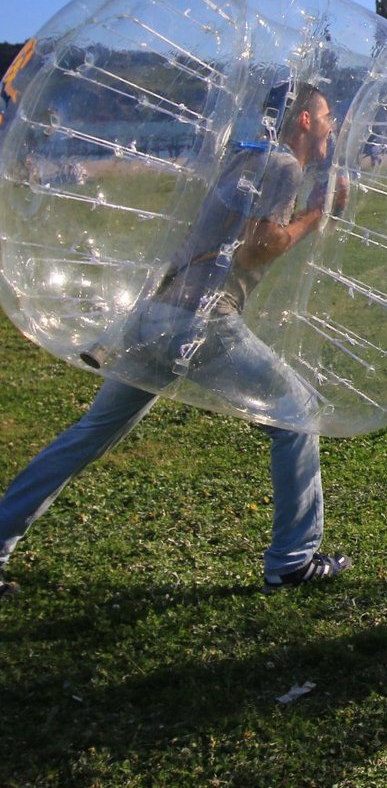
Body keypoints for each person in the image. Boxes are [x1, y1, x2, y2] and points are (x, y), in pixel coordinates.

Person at [0, 83, 351, 599]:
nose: (331, 125)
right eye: (325, 115)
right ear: (302, 120)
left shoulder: (248, 158)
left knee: (91, 434)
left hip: (156, 317)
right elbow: (259, 248)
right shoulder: (281, 166)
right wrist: (318, 213)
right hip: (200, 323)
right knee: (296, 412)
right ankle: (292, 560)